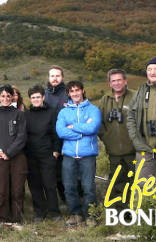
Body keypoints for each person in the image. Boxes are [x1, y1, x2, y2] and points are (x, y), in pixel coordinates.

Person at [55, 80, 101, 227]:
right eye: (72, 91)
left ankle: (91, 216)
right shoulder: (64, 111)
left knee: (88, 187)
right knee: (69, 186)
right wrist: (80, 134)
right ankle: (76, 214)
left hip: (87, 155)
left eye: (77, 90)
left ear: (82, 91)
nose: (75, 93)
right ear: (68, 93)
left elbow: (93, 127)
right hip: (68, 155)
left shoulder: (93, 110)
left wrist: (73, 126)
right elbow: (60, 131)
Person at [97, 69, 136, 210]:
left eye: (119, 80)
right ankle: (120, 211)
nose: (117, 83)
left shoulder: (135, 97)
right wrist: (106, 138)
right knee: (118, 181)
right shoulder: (104, 100)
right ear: (110, 83)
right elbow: (99, 123)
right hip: (113, 150)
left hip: (134, 150)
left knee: (135, 180)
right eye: (113, 81)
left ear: (125, 80)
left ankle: (136, 209)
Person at [24, 85, 63, 222]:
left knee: (50, 184)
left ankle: (55, 212)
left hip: (48, 155)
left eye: (38, 97)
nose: (36, 99)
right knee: (35, 185)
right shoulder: (26, 115)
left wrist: (56, 151)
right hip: (31, 156)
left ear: (43, 97)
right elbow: (23, 135)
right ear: (30, 99)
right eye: (33, 97)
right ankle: (40, 212)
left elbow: (56, 133)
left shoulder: (52, 113)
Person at [0, 84, 28, 223]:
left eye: (8, 96)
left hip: (17, 157)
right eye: (2, 96)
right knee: (2, 190)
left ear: (12, 97)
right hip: (0, 158)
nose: (5, 98)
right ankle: (2, 218)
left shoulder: (19, 114)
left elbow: (21, 136)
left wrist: (10, 152)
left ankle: (17, 217)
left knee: (17, 189)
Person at [44, 65, 68, 203]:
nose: (55, 78)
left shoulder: (68, 93)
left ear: (62, 77)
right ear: (48, 78)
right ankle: (60, 201)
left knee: (71, 174)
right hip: (51, 142)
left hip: (69, 140)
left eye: (57, 76)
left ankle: (75, 201)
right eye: (52, 76)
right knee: (56, 173)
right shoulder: (44, 95)